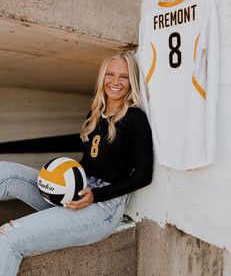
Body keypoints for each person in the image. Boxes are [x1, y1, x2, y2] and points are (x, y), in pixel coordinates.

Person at [0, 50, 153, 276]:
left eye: (124, 76)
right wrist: (62, 176)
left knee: (10, 237)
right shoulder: (95, 115)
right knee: (5, 171)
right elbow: (88, 163)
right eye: (110, 74)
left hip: (103, 207)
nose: (116, 82)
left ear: (132, 81)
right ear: (102, 78)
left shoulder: (135, 118)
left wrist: (96, 195)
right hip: (77, 190)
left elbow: (144, 175)